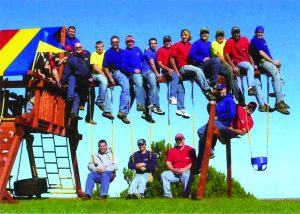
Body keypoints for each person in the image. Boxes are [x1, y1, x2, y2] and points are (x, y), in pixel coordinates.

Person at [170, 29, 216, 119]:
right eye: (183, 35)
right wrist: (176, 71)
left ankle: (210, 98)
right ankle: (207, 89)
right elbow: (172, 59)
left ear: (189, 36)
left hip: (190, 68)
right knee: (198, 71)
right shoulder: (177, 45)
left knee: (198, 77)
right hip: (183, 68)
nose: (184, 36)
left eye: (186, 35)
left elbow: (193, 57)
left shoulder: (191, 46)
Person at [250, 26, 290, 115]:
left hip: (266, 62)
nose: (260, 34)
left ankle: (278, 92)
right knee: (275, 73)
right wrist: (272, 62)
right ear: (255, 33)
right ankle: (279, 101)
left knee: (277, 72)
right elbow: (261, 53)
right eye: (258, 32)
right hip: (262, 62)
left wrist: (275, 63)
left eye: (261, 32)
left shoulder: (263, 40)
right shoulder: (255, 40)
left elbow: (267, 52)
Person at [197, 83, 236, 167]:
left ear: (225, 89)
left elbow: (232, 114)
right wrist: (210, 104)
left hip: (224, 125)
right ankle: (210, 151)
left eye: (221, 89)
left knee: (213, 124)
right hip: (214, 122)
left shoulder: (230, 100)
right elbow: (212, 111)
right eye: (218, 90)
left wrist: (218, 117)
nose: (220, 91)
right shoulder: (217, 100)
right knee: (200, 132)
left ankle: (209, 149)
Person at [121, 35, 154, 123]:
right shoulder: (125, 52)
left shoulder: (137, 49)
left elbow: (143, 58)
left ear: (134, 42)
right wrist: (133, 70)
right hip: (132, 74)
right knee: (138, 83)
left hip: (140, 73)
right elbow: (123, 66)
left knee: (147, 89)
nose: (130, 43)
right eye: (128, 42)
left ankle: (146, 113)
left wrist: (147, 52)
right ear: (126, 43)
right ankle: (140, 104)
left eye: (131, 41)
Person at [210, 30, 245, 106]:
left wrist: (233, 65)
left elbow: (230, 53)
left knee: (234, 81)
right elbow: (220, 57)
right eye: (218, 35)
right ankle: (230, 93)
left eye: (222, 35)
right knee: (219, 89)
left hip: (228, 66)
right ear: (216, 37)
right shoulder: (214, 43)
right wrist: (230, 66)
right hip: (219, 66)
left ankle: (239, 99)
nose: (220, 37)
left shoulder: (226, 42)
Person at [103, 35, 131, 124]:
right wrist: (110, 78)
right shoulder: (108, 53)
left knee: (131, 92)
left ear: (119, 42)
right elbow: (105, 67)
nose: (115, 43)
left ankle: (124, 114)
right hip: (116, 72)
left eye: (116, 42)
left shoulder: (123, 52)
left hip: (125, 72)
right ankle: (122, 110)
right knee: (126, 86)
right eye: (113, 42)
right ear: (111, 43)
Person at [86, 41, 114, 125]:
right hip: (96, 75)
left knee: (109, 89)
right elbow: (95, 67)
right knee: (103, 79)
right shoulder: (93, 54)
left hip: (106, 76)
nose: (99, 48)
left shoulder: (106, 53)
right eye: (98, 47)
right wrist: (105, 75)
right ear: (95, 47)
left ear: (103, 46)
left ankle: (107, 111)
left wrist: (110, 76)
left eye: (101, 46)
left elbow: (110, 64)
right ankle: (99, 101)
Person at [60, 42, 91, 119]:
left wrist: (91, 76)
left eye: (80, 47)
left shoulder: (87, 54)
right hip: (76, 77)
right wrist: (62, 81)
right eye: (76, 47)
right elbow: (66, 70)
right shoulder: (71, 57)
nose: (78, 49)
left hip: (84, 78)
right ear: (74, 48)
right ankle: (70, 99)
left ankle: (79, 107)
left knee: (80, 94)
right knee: (72, 80)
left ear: (82, 47)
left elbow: (92, 65)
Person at [161, 133, 196, 198]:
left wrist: (183, 169)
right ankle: (168, 196)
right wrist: (173, 169)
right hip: (175, 172)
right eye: (177, 140)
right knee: (164, 175)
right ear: (175, 141)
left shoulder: (191, 150)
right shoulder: (171, 150)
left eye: (180, 139)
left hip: (186, 171)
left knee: (186, 175)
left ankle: (186, 195)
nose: (179, 141)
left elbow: (193, 163)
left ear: (184, 139)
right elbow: (168, 163)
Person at [156, 35, 185, 115]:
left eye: (168, 41)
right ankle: (172, 96)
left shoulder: (174, 48)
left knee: (181, 88)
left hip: (175, 70)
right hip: (166, 71)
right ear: (163, 42)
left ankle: (181, 108)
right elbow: (159, 63)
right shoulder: (160, 50)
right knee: (175, 75)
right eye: (166, 41)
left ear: (171, 41)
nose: (167, 42)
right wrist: (167, 69)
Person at [142, 38, 165, 115]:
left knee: (157, 89)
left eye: (155, 43)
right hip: (147, 72)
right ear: (149, 44)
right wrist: (157, 74)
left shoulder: (156, 53)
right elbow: (152, 64)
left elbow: (159, 63)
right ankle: (151, 104)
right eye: (151, 43)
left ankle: (156, 107)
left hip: (153, 73)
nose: (153, 45)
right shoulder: (148, 52)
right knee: (153, 86)